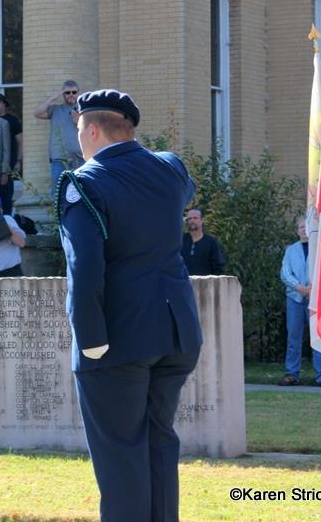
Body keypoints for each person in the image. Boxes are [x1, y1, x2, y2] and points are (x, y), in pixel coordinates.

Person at [57, 89, 202, 521]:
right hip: (176, 332)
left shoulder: (84, 182)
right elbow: (182, 190)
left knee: (121, 458)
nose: (78, 137)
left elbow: (84, 271)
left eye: (79, 128)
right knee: (159, 445)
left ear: (94, 129)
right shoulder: (170, 168)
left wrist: (91, 341)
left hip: (117, 339)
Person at [279, 215, 321, 387]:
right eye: (300, 227)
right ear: (297, 231)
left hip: (316, 299)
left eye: (306, 227)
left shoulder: (319, 248)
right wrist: (300, 287)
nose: (303, 230)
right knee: (294, 336)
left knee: (318, 336)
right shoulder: (290, 250)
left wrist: (313, 288)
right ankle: (292, 374)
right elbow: (285, 273)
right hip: (295, 298)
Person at [34, 80, 84, 193]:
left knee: (81, 193)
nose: (71, 95)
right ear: (63, 94)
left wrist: (79, 121)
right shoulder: (56, 109)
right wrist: (52, 98)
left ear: (78, 93)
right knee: (58, 193)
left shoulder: (84, 110)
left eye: (74, 92)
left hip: (80, 159)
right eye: (67, 92)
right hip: (59, 160)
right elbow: (37, 113)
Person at [0, 93, 23, 215]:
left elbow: (20, 141)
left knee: (6, 195)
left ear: (5, 105)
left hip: (8, 163)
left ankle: (7, 222)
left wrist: (18, 161)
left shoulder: (12, 120)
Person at [181, 208, 226, 275]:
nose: (192, 221)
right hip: (183, 283)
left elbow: (219, 268)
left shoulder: (212, 243)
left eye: (195, 218)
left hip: (205, 284)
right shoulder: (180, 241)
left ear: (202, 220)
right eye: (189, 219)